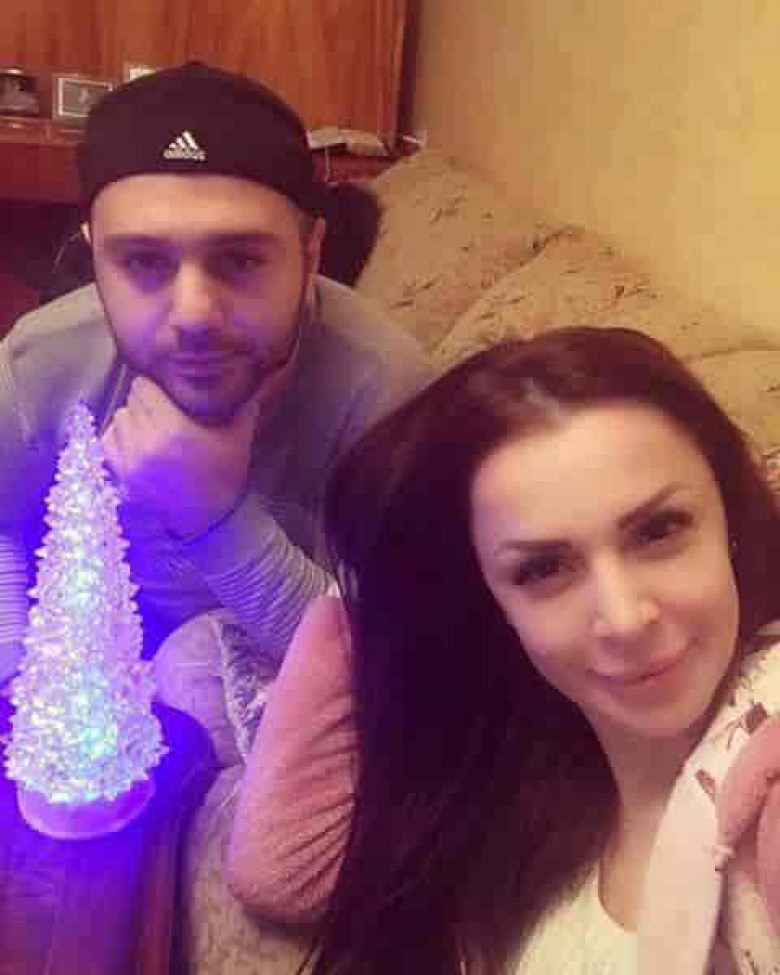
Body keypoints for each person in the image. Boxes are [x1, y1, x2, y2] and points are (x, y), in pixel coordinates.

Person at [226, 326, 780, 973]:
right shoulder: (505, 798)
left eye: (660, 530)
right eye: (543, 569)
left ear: (729, 516)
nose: (626, 617)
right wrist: (375, 607)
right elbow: (281, 869)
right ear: (491, 602)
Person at [0, 61, 429, 683]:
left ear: (310, 253)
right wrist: (19, 686)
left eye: (241, 260)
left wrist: (215, 517)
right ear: (93, 256)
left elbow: (388, 660)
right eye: (144, 261)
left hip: (275, 703)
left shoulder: (387, 396)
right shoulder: (38, 367)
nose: (194, 314)